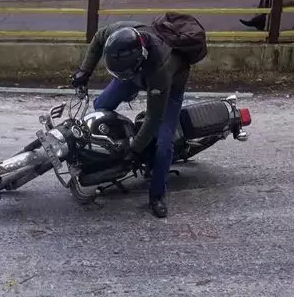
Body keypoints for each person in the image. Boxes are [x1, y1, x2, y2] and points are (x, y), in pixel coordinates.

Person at [71, 18, 201, 219]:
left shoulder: (161, 68)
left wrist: (134, 149)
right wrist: (84, 71)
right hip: (133, 74)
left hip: (170, 85)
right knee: (101, 106)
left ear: (139, 59)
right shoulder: (121, 34)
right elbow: (98, 38)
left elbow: (154, 118)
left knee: (164, 144)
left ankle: (157, 195)